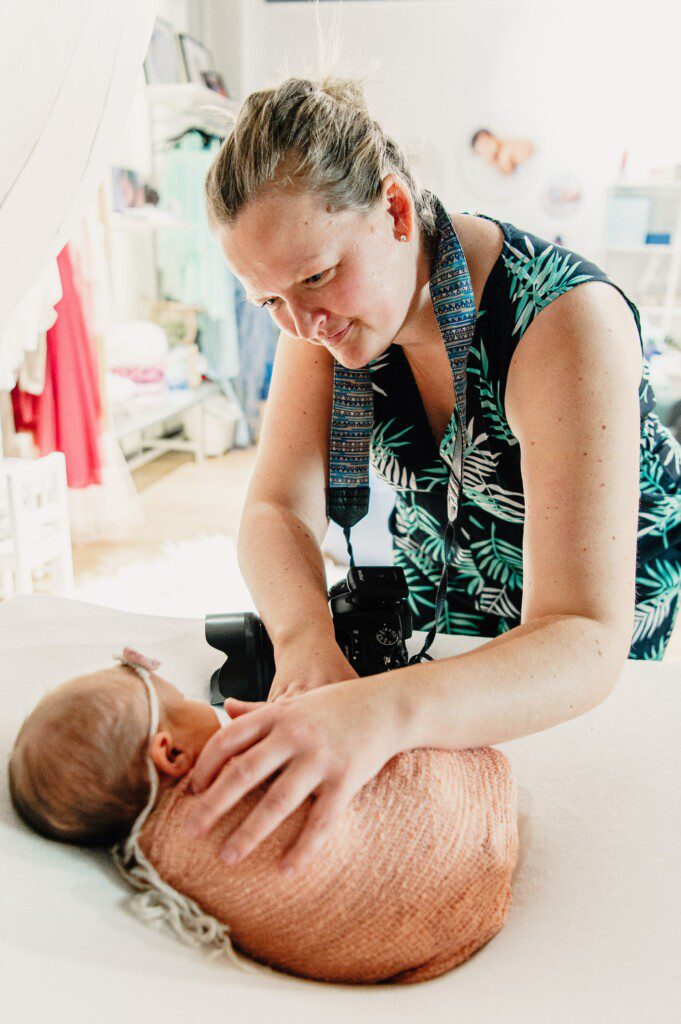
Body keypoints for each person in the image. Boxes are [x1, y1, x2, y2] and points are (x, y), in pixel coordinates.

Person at [185, 72, 681, 878]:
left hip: (581, 648)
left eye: (315, 276)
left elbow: (585, 635)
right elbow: (276, 507)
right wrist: (306, 643)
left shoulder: (562, 323)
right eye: (267, 300)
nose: (301, 323)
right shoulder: (314, 317)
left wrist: (378, 713)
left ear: (395, 209)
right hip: (440, 602)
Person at [7, 650, 518, 985]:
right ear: (171, 753)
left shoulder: (156, 857)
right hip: (446, 857)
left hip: (378, 957)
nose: (200, 702)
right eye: (183, 700)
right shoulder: (215, 781)